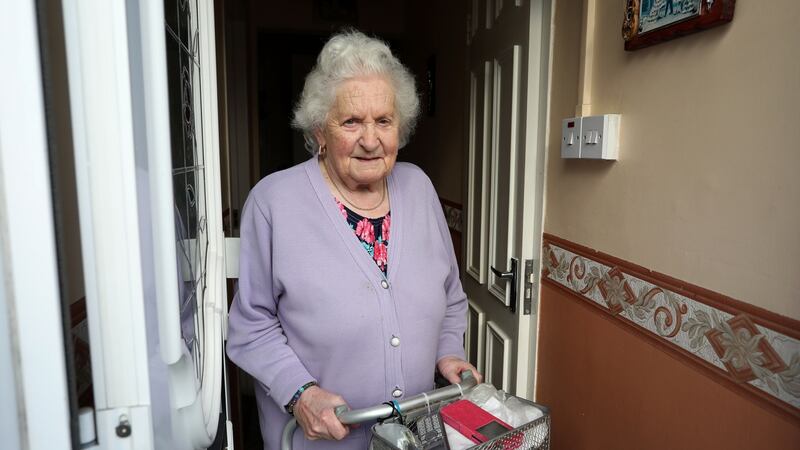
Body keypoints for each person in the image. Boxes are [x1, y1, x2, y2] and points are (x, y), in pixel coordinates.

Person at [226, 29, 481, 450]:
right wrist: (300, 394)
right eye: (351, 122)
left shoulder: (418, 188)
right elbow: (251, 327)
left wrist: (449, 353)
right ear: (319, 130)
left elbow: (451, 295)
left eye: (384, 121)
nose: (370, 139)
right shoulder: (273, 202)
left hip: (412, 438)